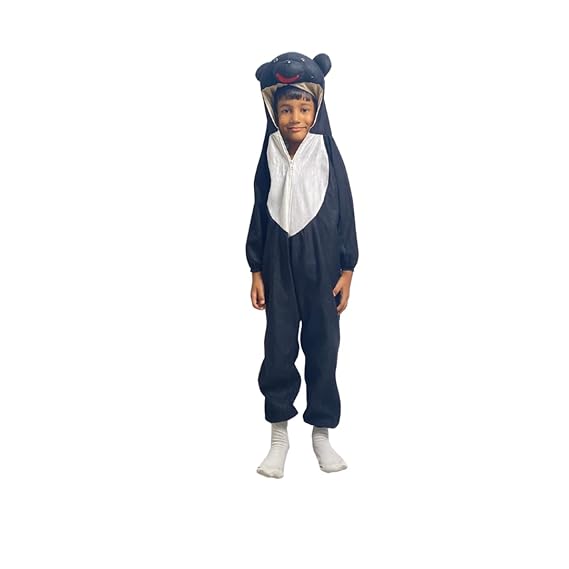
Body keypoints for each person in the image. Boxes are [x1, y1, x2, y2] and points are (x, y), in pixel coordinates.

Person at [246, 52, 359, 478]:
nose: (295, 118)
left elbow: (346, 211)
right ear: (273, 111)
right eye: (286, 109)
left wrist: (347, 269)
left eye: (304, 108)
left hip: (322, 267)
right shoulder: (270, 153)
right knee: (278, 349)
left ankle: (321, 434)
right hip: (278, 268)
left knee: (323, 348)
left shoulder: (326, 152)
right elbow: (259, 211)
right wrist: (256, 269)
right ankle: (279, 436)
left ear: (317, 108)